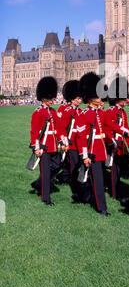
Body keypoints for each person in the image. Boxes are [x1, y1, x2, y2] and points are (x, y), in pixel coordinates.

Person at [76, 72, 117, 216]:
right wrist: (85, 155)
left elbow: (109, 125)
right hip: (91, 151)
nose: (101, 98)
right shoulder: (84, 115)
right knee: (97, 180)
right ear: (91, 98)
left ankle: (83, 196)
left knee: (96, 179)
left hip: (100, 150)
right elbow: (81, 137)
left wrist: (125, 132)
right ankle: (102, 208)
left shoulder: (100, 113)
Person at [30, 76, 62, 206]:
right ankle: (46, 198)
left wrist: (62, 140)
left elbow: (58, 128)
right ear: (43, 98)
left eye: (52, 97)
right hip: (44, 146)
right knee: (45, 171)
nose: (52, 100)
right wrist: (36, 147)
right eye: (50, 98)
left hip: (53, 145)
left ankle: (38, 183)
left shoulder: (52, 112)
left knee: (58, 165)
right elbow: (34, 132)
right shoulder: (38, 112)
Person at [57, 80, 90, 204]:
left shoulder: (81, 112)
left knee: (76, 167)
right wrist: (63, 142)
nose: (80, 100)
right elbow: (61, 128)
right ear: (72, 99)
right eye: (78, 98)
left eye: (80, 98)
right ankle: (76, 190)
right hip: (70, 144)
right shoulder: (67, 111)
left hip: (79, 144)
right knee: (72, 168)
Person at [105, 76, 129, 200]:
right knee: (115, 171)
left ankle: (117, 190)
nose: (125, 100)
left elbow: (126, 129)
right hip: (115, 145)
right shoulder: (111, 111)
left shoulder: (122, 112)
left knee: (123, 170)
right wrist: (112, 142)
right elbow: (107, 128)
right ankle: (114, 193)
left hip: (122, 145)